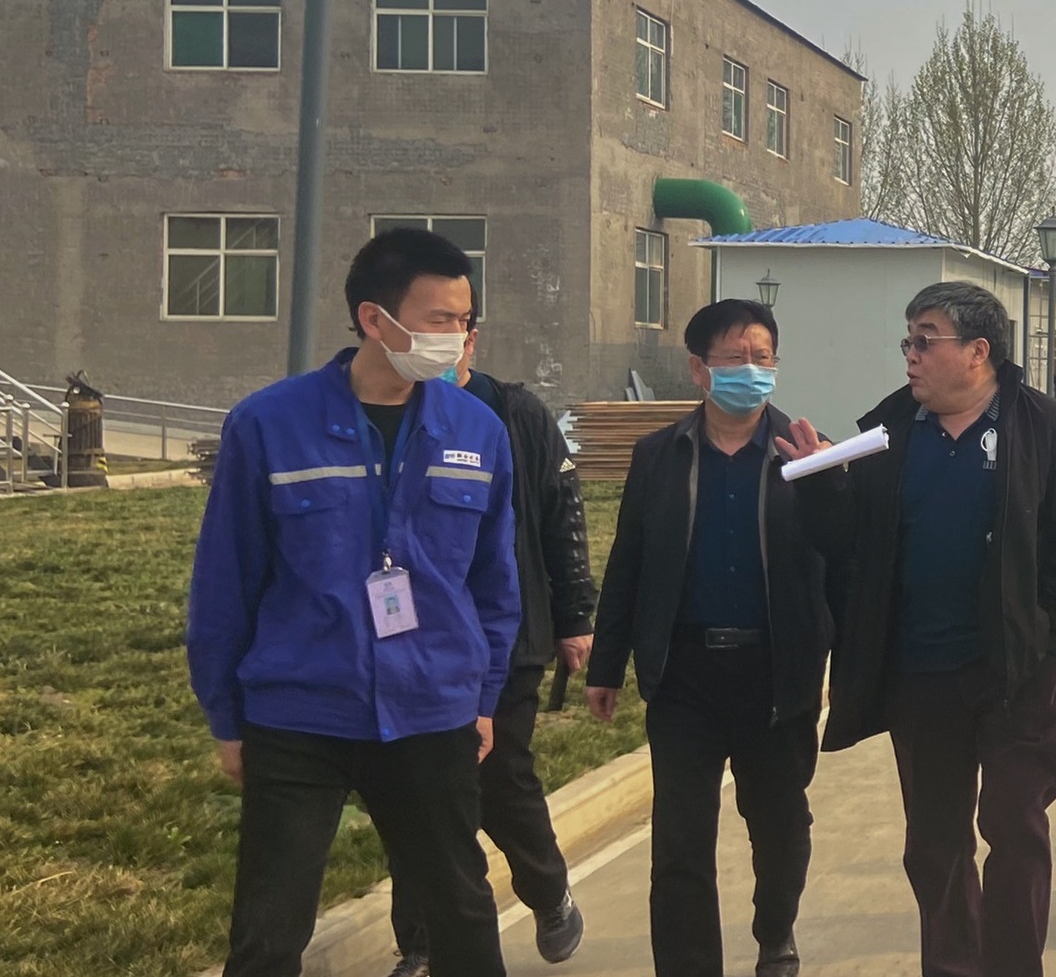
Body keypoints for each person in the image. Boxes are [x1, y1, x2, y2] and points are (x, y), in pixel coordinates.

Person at [186, 228, 520, 977]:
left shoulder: (477, 430)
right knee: (268, 930)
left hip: (432, 707)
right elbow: (225, 580)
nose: (456, 335)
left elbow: (495, 580)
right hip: (299, 712)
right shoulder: (269, 424)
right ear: (375, 318)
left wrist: (484, 694)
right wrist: (226, 715)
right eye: (439, 319)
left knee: (461, 912)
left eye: (464, 319)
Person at [819, 282, 1056, 977]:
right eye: (908, 340)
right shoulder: (887, 432)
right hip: (920, 676)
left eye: (925, 340)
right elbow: (850, 552)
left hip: (1015, 675)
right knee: (935, 844)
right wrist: (821, 486)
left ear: (978, 351)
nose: (910, 355)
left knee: (1016, 830)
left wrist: (1048, 652)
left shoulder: (1043, 429)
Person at [586, 300, 842, 977]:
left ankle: (775, 931)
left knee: (781, 826)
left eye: (763, 357)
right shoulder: (659, 455)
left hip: (776, 673)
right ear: (700, 369)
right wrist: (605, 664)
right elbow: (629, 563)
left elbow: (843, 560)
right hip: (685, 675)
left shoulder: (806, 453)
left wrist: (827, 485)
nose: (751, 370)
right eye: (735, 358)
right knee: (680, 840)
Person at [385, 330, 597, 975]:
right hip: (413, 638)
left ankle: (547, 891)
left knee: (501, 776)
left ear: (471, 339)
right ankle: (421, 942)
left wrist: (574, 615)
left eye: (452, 326)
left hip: (507, 633)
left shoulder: (514, 413)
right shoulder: (387, 413)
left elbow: (561, 513)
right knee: (416, 789)